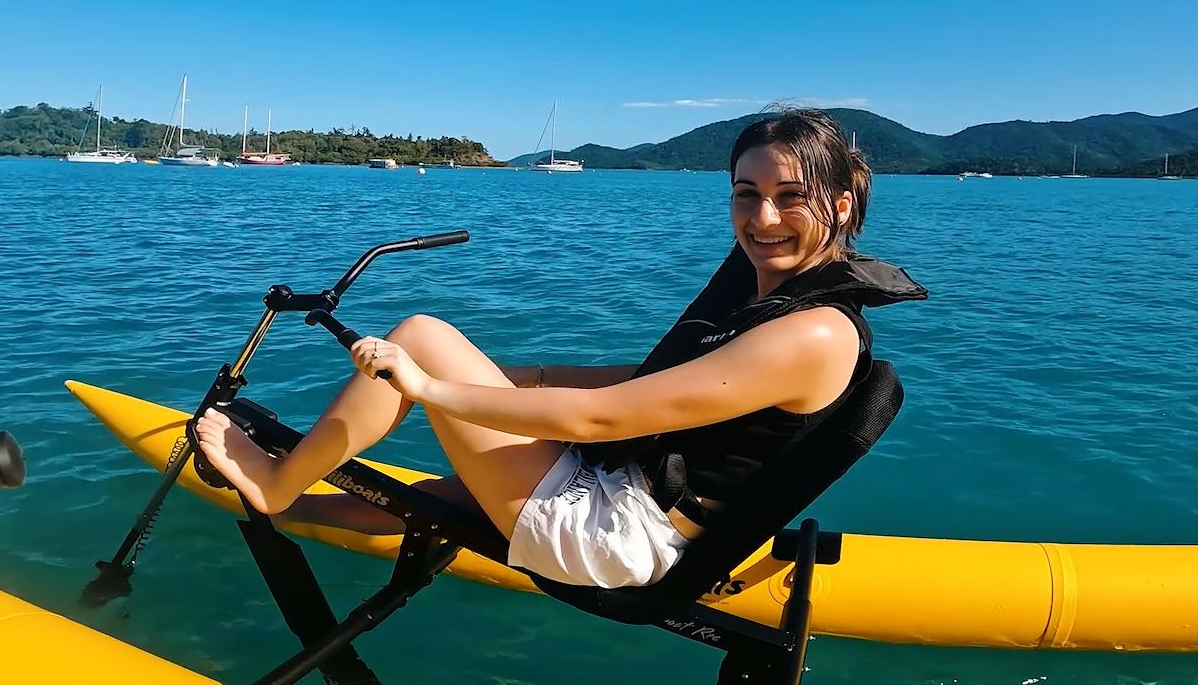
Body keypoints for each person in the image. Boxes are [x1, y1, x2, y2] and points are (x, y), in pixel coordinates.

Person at [195, 108, 924, 589]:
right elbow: (655, 380)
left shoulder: (815, 330)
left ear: (840, 205)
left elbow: (605, 418)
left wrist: (427, 385)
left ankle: (276, 485)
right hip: (629, 495)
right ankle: (290, 512)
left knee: (419, 333)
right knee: (432, 497)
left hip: (619, 536)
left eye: (790, 196)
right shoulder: (780, 298)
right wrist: (514, 377)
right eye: (745, 193)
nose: (762, 218)